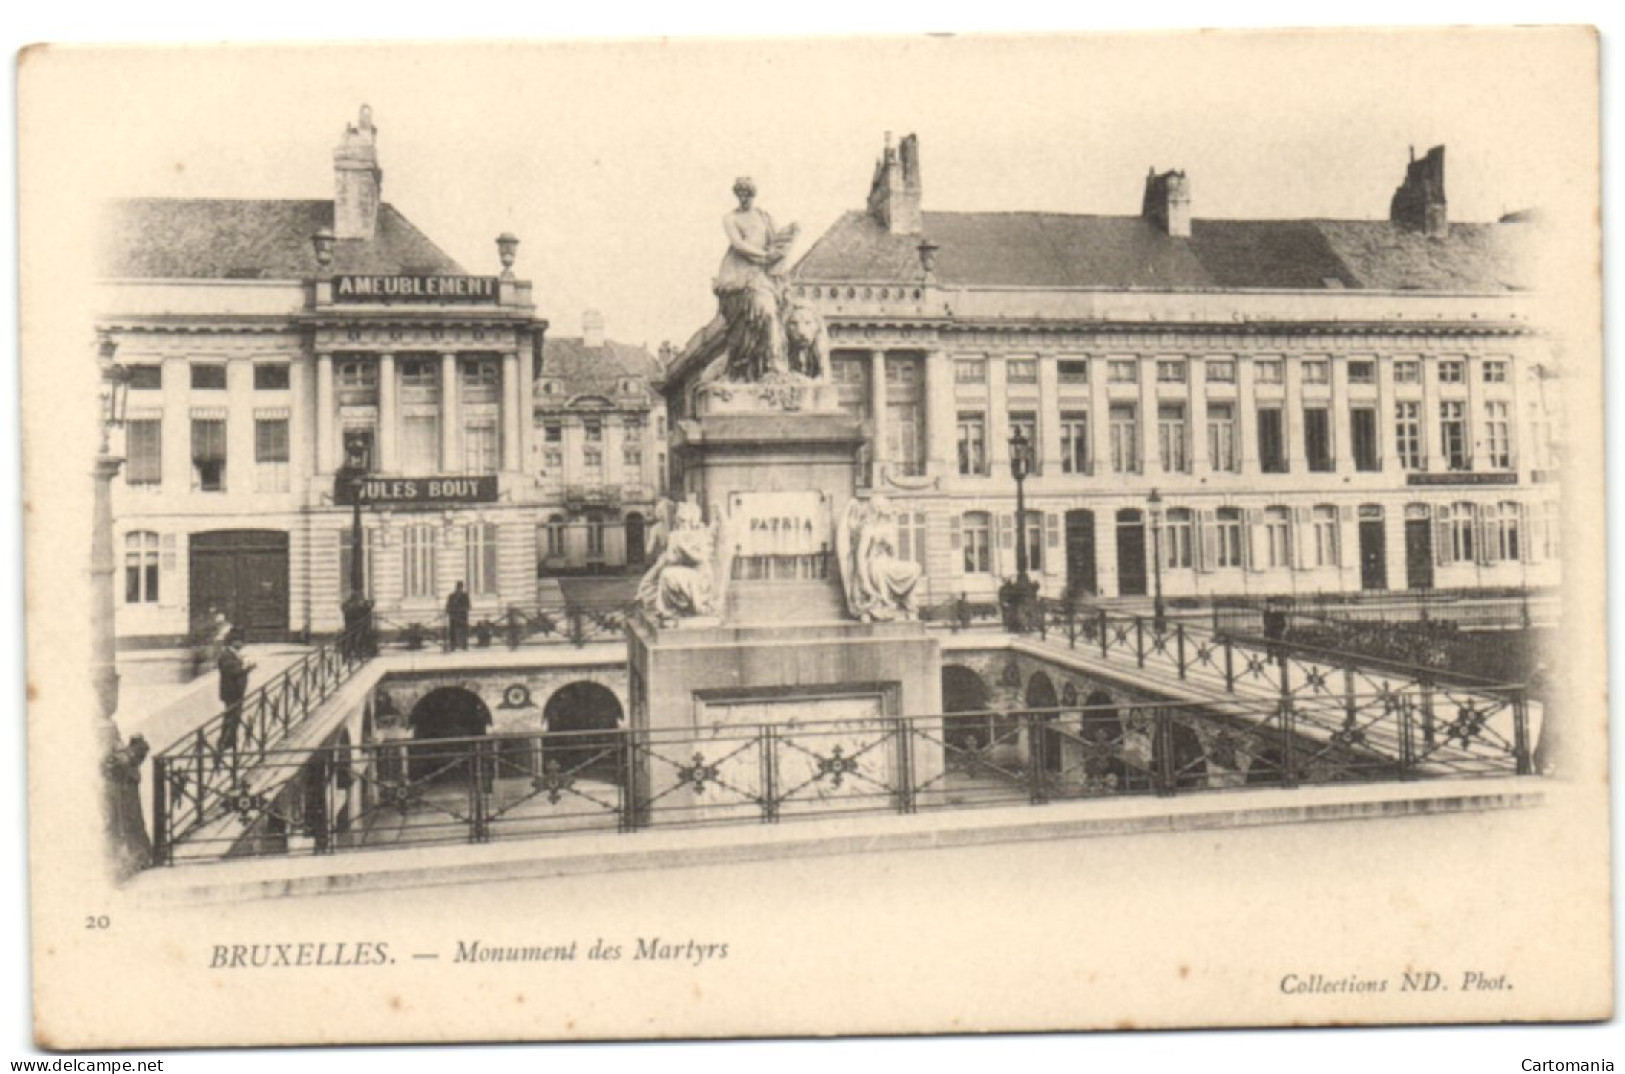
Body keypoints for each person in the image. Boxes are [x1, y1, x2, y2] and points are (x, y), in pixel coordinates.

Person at [714, 177, 799, 382]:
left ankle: (774, 366)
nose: (744, 198)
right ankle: (763, 366)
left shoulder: (764, 217)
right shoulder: (730, 218)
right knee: (761, 316)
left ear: (753, 194)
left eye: (748, 194)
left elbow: (776, 242)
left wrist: (787, 238)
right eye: (740, 194)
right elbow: (739, 245)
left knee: (772, 315)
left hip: (763, 273)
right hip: (740, 274)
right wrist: (764, 256)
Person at [215, 631, 255, 769]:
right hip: (231, 693)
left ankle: (229, 741)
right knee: (231, 717)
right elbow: (233, 672)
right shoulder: (226, 655)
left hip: (236, 692)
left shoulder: (232, 654)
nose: (243, 644)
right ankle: (224, 743)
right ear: (233, 642)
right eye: (241, 641)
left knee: (233, 717)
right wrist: (247, 668)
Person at [446, 581, 472, 651]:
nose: (459, 589)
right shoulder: (451, 596)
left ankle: (464, 645)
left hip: (462, 617)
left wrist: (460, 610)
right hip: (453, 617)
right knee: (452, 632)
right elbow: (448, 606)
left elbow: (468, 606)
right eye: (458, 587)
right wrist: (449, 611)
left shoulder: (465, 596)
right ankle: (453, 645)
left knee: (463, 631)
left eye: (460, 587)